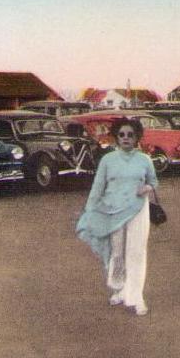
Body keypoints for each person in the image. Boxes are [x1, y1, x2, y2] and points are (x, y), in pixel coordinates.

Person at [76, 117, 157, 316]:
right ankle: (119, 289)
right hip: (112, 210)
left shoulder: (145, 159)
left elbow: (154, 182)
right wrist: (90, 211)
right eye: (122, 135)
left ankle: (136, 297)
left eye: (130, 135)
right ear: (116, 137)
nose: (126, 138)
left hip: (138, 209)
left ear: (137, 137)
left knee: (137, 253)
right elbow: (97, 187)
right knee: (117, 252)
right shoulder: (107, 160)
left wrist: (146, 187)